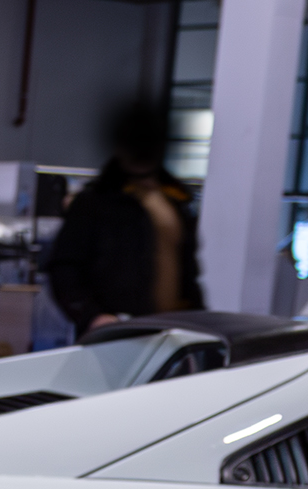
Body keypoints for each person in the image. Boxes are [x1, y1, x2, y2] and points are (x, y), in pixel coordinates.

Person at [44, 101, 203, 331]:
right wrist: (92, 316)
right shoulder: (95, 203)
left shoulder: (175, 202)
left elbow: (188, 273)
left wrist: (197, 321)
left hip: (171, 332)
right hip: (115, 332)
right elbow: (64, 269)